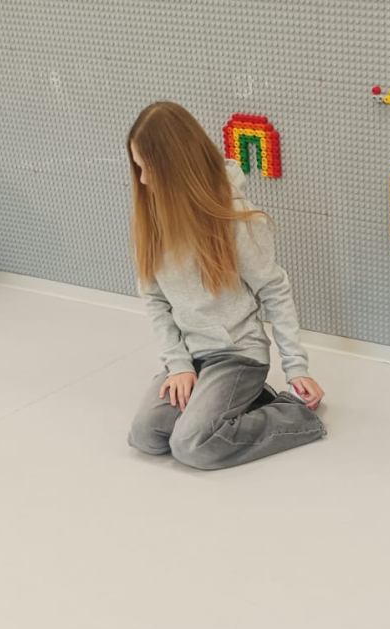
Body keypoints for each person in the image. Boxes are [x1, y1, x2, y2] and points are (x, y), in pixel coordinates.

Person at [125, 101, 325, 470]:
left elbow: (275, 291)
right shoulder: (151, 216)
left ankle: (296, 416)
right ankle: (241, 401)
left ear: (178, 166)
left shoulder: (236, 219)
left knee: (192, 446)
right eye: (138, 168)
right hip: (193, 355)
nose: (144, 180)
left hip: (237, 354)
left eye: (150, 168)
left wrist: (296, 368)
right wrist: (178, 364)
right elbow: (155, 299)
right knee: (146, 436)